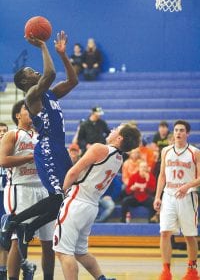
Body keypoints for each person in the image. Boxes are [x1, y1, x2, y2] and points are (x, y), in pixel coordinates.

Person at [0, 31, 78, 253]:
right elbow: (50, 73)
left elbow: (73, 80)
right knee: (57, 196)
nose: (36, 71)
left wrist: (63, 54)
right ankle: (13, 221)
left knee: (64, 199)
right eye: (31, 71)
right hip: (46, 148)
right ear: (26, 81)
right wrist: (44, 46)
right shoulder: (32, 95)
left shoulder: (50, 94)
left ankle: (28, 226)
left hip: (58, 148)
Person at [53, 123, 141, 280]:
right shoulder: (119, 158)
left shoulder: (100, 148)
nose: (112, 130)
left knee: (63, 252)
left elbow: (74, 171)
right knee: (80, 252)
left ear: (119, 137)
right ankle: (101, 278)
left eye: (116, 129)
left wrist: (60, 193)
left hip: (76, 200)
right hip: (91, 206)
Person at [0, 101, 55, 280]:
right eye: (26, 108)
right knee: (18, 238)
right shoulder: (12, 134)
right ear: (17, 115)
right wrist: (32, 157)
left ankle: (48, 277)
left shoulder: (41, 136)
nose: (31, 111)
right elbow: (3, 161)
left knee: (49, 242)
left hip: (43, 189)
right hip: (20, 189)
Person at [153, 120, 200, 280]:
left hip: (188, 196)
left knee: (189, 235)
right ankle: (166, 271)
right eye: (176, 130)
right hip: (169, 196)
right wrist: (158, 196)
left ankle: (192, 270)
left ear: (187, 133)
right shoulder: (165, 151)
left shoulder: (195, 152)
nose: (178, 133)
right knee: (165, 233)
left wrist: (187, 186)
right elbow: (162, 176)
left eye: (181, 130)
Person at [0, 122, 8, 280]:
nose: (2, 133)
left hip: (7, 199)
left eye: (4, 131)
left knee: (5, 239)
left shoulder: (12, 150)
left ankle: (3, 271)